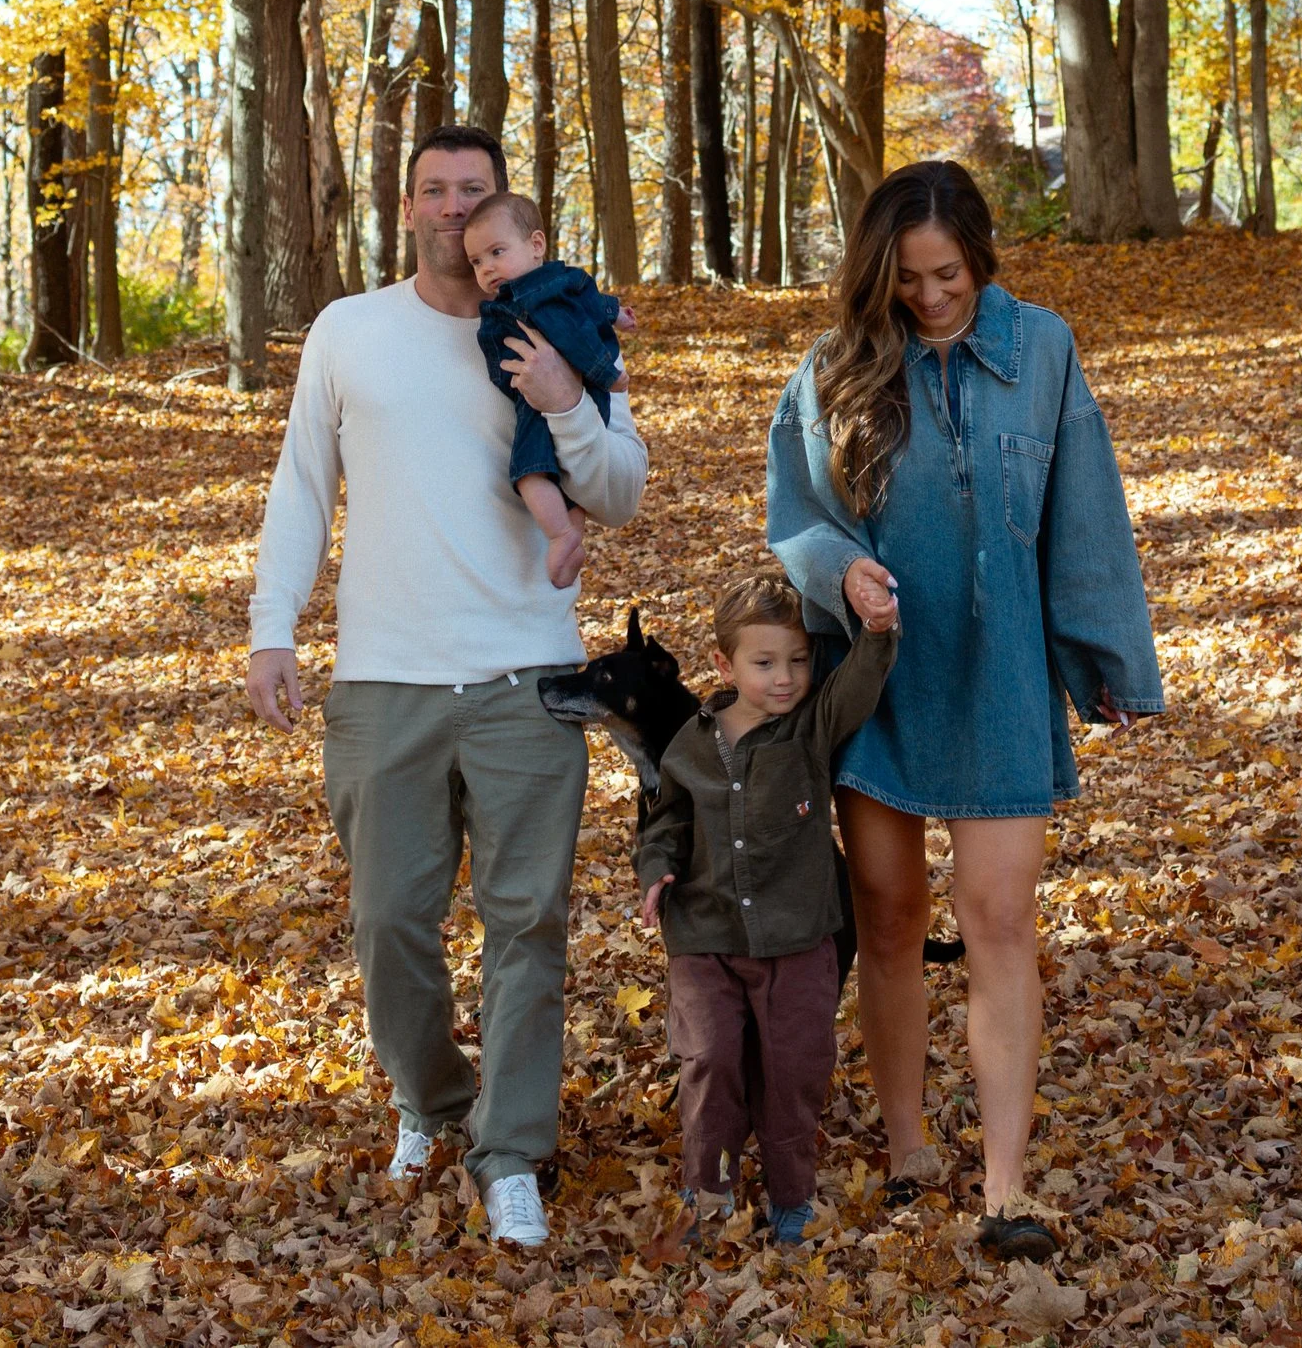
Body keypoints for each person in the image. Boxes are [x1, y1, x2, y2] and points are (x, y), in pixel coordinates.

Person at [245, 124, 649, 1248]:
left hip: (528, 675)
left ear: (508, 212)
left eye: (474, 189)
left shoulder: (564, 324)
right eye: (434, 189)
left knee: (528, 924)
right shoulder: (349, 329)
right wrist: (272, 628)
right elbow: (300, 483)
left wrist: (566, 398)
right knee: (388, 921)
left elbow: (620, 491)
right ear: (409, 205)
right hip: (385, 681)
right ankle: (434, 1099)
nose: (453, 206)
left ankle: (510, 1151)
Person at [764, 160, 1162, 1262]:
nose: (931, 295)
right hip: (876, 678)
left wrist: (1107, 662)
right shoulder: (834, 366)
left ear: (981, 256)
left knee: (999, 918)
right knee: (889, 914)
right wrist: (842, 570)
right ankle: (907, 1149)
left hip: (1001, 675)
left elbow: (1086, 511)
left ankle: (1004, 1185)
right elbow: (795, 513)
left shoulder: (1043, 350)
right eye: (907, 278)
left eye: (948, 273)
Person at [634, 574, 898, 1246]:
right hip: (705, 934)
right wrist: (656, 869)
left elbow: (855, 688)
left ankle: (791, 1196)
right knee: (711, 1056)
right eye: (765, 662)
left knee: (793, 1067)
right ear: (724, 665)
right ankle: (710, 1187)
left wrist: (878, 631)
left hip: (797, 936)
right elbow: (666, 822)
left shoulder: (807, 727)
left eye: (798, 660)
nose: (785, 678)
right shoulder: (691, 745)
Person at [462, 191, 627, 589]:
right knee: (566, 476)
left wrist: (607, 374)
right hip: (566, 396)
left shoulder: (533, 297)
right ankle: (572, 537)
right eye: (477, 262)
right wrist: (616, 312)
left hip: (546, 400)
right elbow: (589, 299)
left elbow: (571, 335)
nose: (487, 268)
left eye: (497, 252)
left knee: (529, 469)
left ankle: (560, 535)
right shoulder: (554, 283)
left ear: (536, 245)